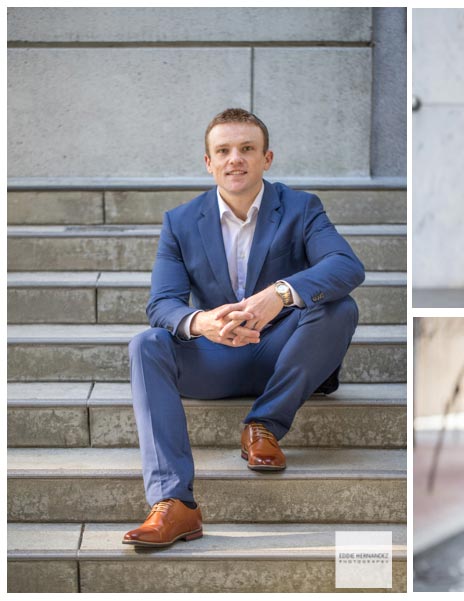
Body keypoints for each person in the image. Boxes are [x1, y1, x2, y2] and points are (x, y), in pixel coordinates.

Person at [122, 108, 365, 547]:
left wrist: (281, 294)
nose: (236, 159)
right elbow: (162, 304)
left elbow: (346, 266)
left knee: (339, 307)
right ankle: (174, 504)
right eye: (224, 150)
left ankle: (264, 426)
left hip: (286, 353)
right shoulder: (180, 222)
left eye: (247, 149)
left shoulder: (301, 207)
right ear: (208, 162)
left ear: (267, 159)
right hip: (216, 356)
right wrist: (202, 322)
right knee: (147, 345)